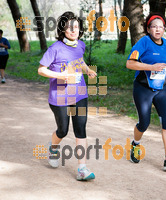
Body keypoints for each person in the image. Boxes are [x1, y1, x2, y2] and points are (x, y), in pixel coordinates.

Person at [38, 12, 97, 181]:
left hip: (79, 94)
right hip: (59, 97)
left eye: (76, 27)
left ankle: (82, 169)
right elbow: (41, 69)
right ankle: (54, 147)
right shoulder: (54, 48)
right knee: (63, 130)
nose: (73, 30)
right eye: (69, 27)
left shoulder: (81, 45)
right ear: (63, 29)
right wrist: (60, 76)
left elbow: (80, 60)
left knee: (81, 128)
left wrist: (88, 70)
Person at [126, 13, 166, 171]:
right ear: (149, 29)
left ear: (164, 29)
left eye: (161, 27)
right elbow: (129, 63)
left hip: (162, 89)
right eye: (154, 27)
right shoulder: (143, 42)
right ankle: (135, 144)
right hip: (143, 88)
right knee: (144, 123)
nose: (158, 29)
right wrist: (151, 67)